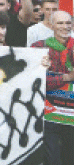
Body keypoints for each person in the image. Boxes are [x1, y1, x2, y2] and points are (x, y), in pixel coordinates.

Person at [30, 10, 74, 165]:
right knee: (52, 159)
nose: (65, 26)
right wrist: (66, 77)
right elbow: (34, 80)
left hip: (72, 115)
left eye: (68, 23)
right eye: (60, 23)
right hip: (49, 114)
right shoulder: (39, 48)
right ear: (52, 25)